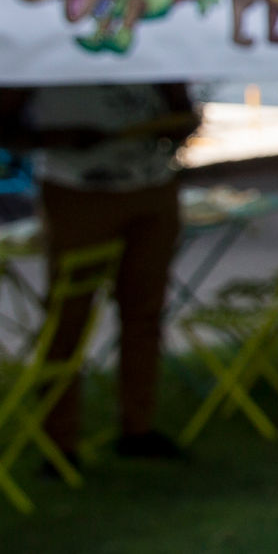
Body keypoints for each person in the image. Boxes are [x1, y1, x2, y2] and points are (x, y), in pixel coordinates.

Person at [0, 81, 199, 464]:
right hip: (75, 188)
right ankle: (58, 443)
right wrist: (59, 137)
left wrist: (173, 126)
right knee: (67, 318)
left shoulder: (151, 53)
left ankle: (138, 428)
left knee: (144, 313)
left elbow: (184, 111)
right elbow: (7, 123)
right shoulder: (48, 60)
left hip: (151, 185)